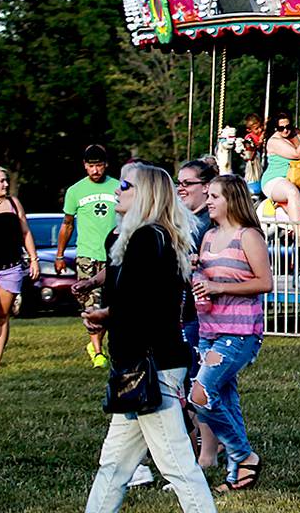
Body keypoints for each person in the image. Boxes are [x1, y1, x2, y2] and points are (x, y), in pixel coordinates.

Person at [83, 164, 214, 513]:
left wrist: (106, 316)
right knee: (114, 465)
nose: (117, 189)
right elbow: (130, 300)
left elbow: (139, 307)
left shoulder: (149, 240)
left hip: (153, 365)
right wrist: (107, 314)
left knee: (178, 466)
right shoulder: (134, 238)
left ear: (145, 195)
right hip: (138, 366)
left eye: (126, 185)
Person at [191, 175, 273, 492]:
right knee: (225, 397)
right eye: (208, 195)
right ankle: (237, 474)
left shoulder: (248, 236)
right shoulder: (209, 236)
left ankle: (243, 455)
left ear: (231, 200)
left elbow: (264, 282)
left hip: (239, 332)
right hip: (209, 330)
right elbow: (206, 277)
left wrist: (218, 286)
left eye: (214, 196)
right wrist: (196, 272)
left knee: (201, 395)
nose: (208, 201)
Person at [57, 144, 122, 367]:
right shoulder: (75, 191)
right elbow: (67, 224)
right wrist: (59, 254)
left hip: (113, 253)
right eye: (91, 166)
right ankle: (97, 351)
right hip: (86, 254)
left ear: (106, 165)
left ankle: (107, 344)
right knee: (91, 303)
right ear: (85, 166)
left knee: (111, 301)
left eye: (99, 166)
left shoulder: (118, 187)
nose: (95, 171)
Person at [175, 159, 217, 465]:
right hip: (187, 314)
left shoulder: (207, 225)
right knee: (192, 385)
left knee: (199, 384)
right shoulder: (188, 221)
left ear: (205, 187)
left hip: (202, 316)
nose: (181, 188)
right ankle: (209, 449)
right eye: (179, 182)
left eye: (187, 183)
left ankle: (207, 454)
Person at [0, 165, 39, 370]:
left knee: (1, 315)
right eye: (2, 181)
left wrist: (33, 259)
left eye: (6, 180)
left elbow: (25, 233)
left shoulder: (13, 203)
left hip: (11, 268)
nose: (6, 184)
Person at [260, 112, 300, 226]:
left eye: (288, 127)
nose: (285, 130)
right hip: (276, 180)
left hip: (297, 178)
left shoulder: (296, 134)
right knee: (292, 192)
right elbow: (298, 154)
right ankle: (299, 234)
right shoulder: (274, 141)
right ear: (276, 128)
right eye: (281, 128)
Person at [240, 114, 266, 188]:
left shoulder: (261, 134)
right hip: (253, 161)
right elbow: (251, 148)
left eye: (260, 127)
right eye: (256, 128)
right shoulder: (249, 138)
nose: (260, 130)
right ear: (249, 130)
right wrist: (260, 141)